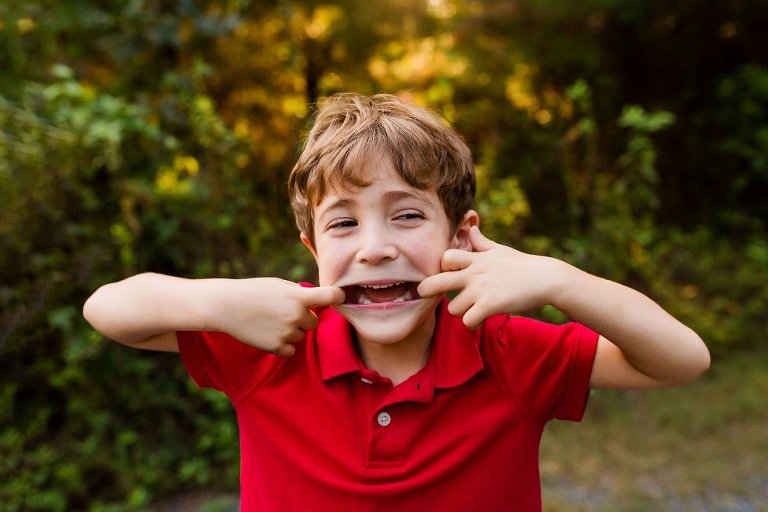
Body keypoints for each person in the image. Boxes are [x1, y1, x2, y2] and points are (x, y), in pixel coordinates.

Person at [83, 93, 710, 511]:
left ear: (460, 237)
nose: (376, 248)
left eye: (407, 215)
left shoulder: (505, 350)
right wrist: (216, 302)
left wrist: (557, 280)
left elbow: (682, 360)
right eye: (343, 223)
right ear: (312, 248)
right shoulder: (273, 339)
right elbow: (107, 309)